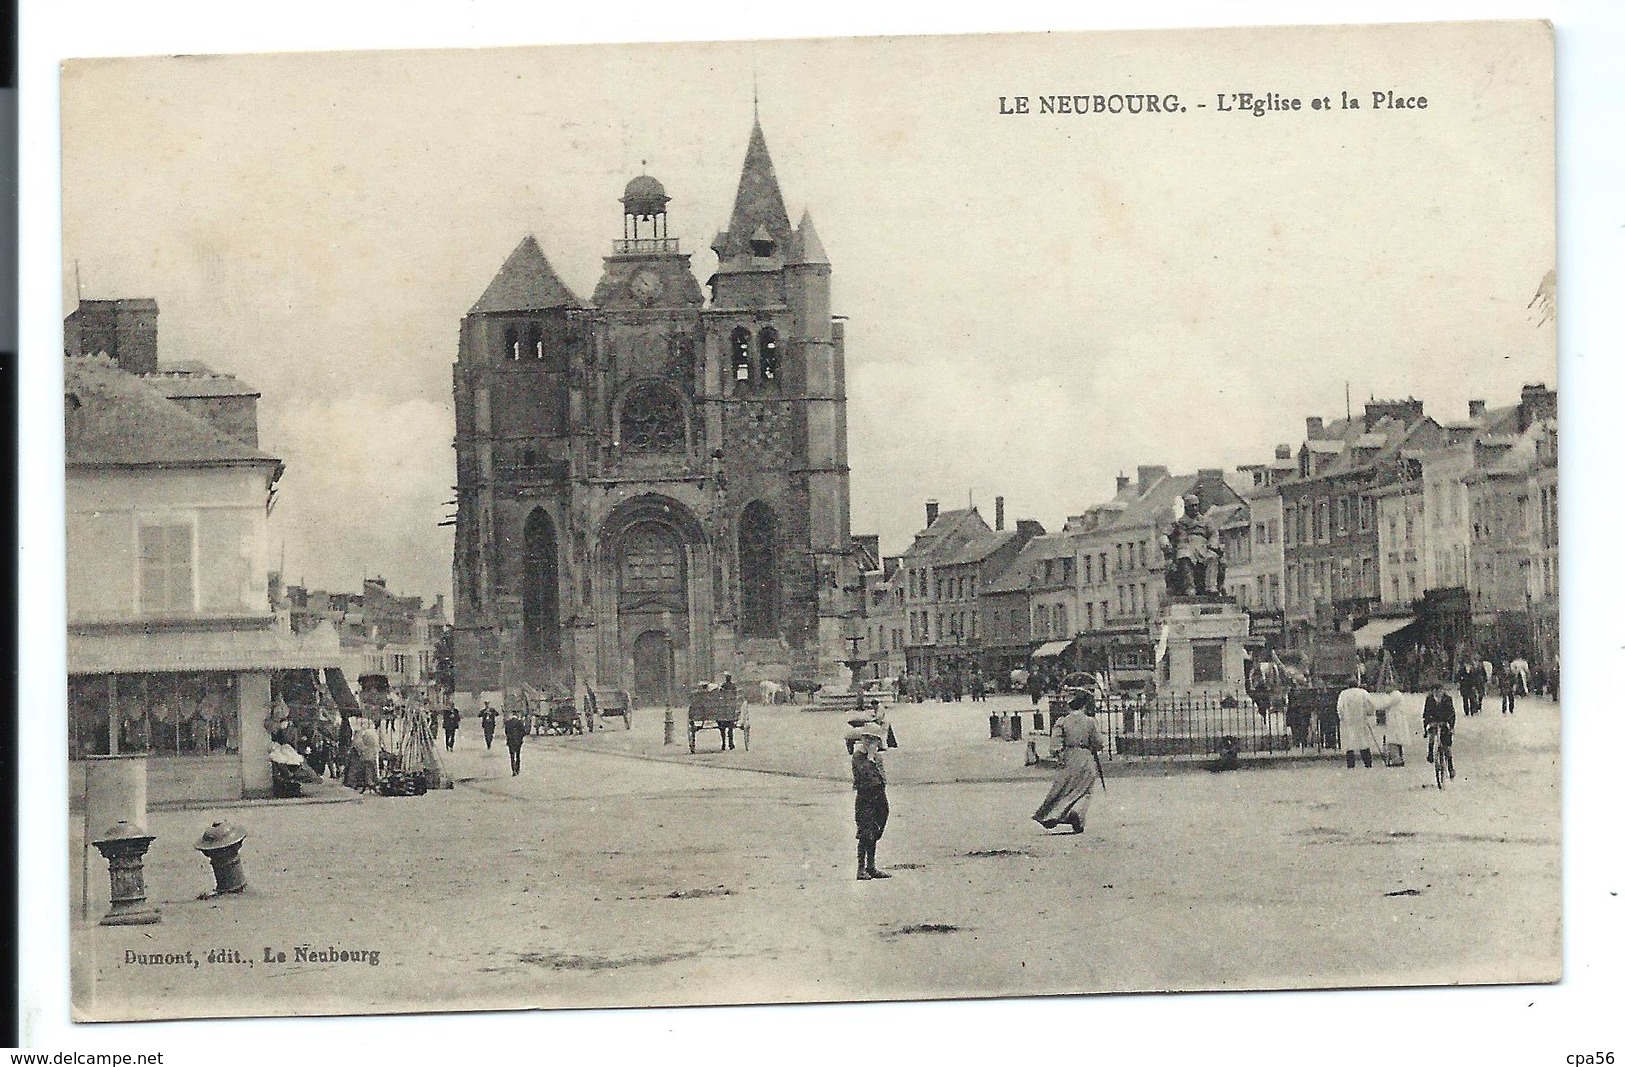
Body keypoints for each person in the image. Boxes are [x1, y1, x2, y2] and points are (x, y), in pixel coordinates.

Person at [1032, 692, 1104, 834]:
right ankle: (1077, 813)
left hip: (1068, 757)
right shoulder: (1090, 721)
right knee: (1085, 790)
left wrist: (1059, 754)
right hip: (1085, 757)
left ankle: (1052, 814)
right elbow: (1098, 743)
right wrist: (1094, 747)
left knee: (1064, 788)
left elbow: (1054, 745)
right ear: (1084, 706)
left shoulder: (1062, 721)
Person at [845, 718, 892, 880]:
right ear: (865, 740)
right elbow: (864, 774)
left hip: (879, 795)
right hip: (866, 796)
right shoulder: (859, 756)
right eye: (871, 740)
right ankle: (861, 868)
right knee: (866, 831)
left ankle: (871, 866)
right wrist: (870, 757)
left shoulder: (877, 756)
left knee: (877, 828)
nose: (875, 743)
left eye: (876, 740)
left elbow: (881, 776)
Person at [1335, 684, 1403, 769]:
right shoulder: (1363, 693)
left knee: (1350, 743)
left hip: (1349, 722)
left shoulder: (1343, 694)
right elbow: (1371, 706)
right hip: (1361, 720)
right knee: (1363, 742)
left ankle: (1351, 764)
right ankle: (1367, 763)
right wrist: (1368, 713)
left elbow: (1339, 708)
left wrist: (1343, 718)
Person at [1423, 680, 1456, 778]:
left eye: (1439, 691)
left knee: (1447, 746)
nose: (1437, 693)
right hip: (1433, 721)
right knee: (1432, 737)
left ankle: (1450, 767)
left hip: (1444, 722)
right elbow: (1426, 713)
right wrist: (1427, 725)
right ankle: (1430, 753)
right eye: (1435, 691)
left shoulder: (1447, 699)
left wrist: (1451, 725)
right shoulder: (1429, 699)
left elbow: (1451, 713)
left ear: (1442, 691)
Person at [504, 710, 527, 776]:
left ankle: (513, 770)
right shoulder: (520, 722)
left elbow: (506, 732)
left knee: (512, 756)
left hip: (511, 741)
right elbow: (524, 732)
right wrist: (520, 738)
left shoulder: (508, 723)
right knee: (518, 755)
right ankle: (517, 769)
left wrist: (509, 737)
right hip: (518, 741)